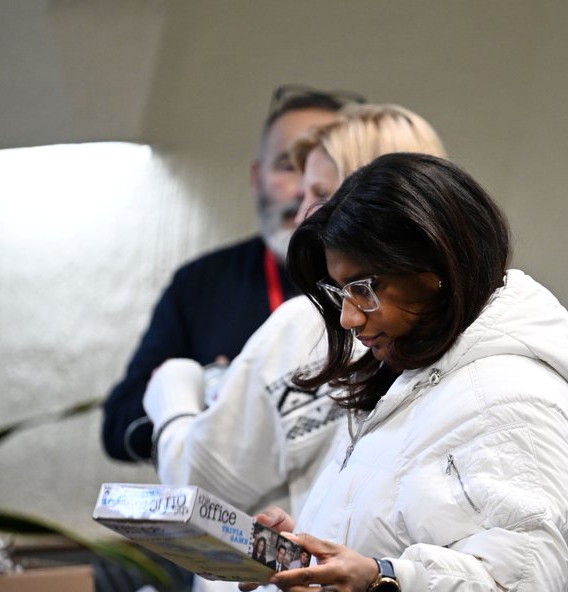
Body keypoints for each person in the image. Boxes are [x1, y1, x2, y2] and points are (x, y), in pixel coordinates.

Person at [253, 152, 568, 592]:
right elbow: (410, 535)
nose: (349, 319)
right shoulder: (417, 381)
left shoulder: (507, 398)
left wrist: (382, 582)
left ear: (437, 267)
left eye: (365, 288)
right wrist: (312, 549)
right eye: (342, 293)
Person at [145, 104, 446, 518]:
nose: (304, 214)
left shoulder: (308, 324)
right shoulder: (463, 313)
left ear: (379, 197)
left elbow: (198, 485)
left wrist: (174, 390)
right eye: (304, 193)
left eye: (321, 195)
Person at [101, 86, 361, 463]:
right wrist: (207, 397)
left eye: (321, 174)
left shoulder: (376, 286)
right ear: (257, 177)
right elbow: (119, 425)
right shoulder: (200, 283)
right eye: (288, 166)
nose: (303, 192)